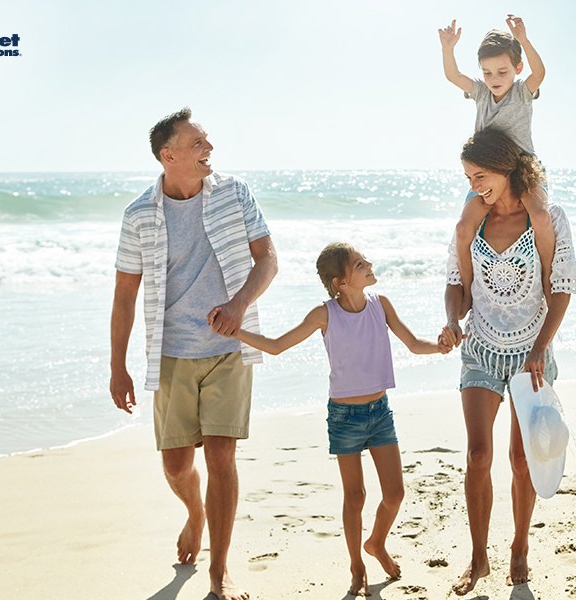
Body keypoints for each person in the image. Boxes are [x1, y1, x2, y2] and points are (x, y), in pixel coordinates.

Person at [209, 242, 451, 596]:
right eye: (359, 263)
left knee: (395, 494)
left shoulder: (380, 305)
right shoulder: (325, 315)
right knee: (355, 497)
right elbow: (277, 345)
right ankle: (357, 565)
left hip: (379, 413)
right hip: (345, 418)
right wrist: (235, 331)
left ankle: (377, 543)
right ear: (341, 282)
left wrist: (440, 346)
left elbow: (414, 344)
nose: (369, 264)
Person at [110, 107, 278, 600]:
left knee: (223, 455)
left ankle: (219, 571)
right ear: (170, 155)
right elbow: (124, 295)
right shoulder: (139, 214)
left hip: (229, 344)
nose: (210, 149)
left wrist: (240, 305)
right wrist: (117, 366)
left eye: (208, 141)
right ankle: (195, 512)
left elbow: (267, 258)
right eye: (199, 142)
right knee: (177, 465)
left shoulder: (234, 193)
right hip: (171, 352)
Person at [438, 127, 576, 595]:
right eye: (467, 177)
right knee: (478, 456)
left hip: (531, 354)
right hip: (480, 347)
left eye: (481, 175)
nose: (474, 185)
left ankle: (519, 546)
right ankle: (479, 556)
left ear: (506, 167)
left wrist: (541, 347)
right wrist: (452, 321)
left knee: (522, 458)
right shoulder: (470, 225)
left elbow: (559, 288)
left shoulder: (547, 217)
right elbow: (456, 285)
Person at [438, 15, 556, 315]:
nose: (494, 78)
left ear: (517, 69)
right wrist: (448, 48)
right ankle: (466, 292)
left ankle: (547, 282)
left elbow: (539, 73)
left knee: (540, 217)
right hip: (488, 173)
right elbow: (453, 76)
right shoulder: (480, 92)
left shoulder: (521, 93)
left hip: (522, 169)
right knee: (464, 228)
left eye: (502, 71)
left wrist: (525, 41)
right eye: (487, 72)